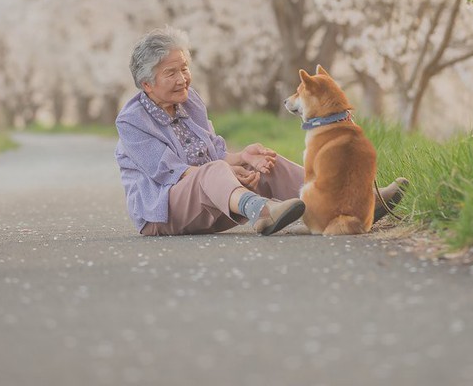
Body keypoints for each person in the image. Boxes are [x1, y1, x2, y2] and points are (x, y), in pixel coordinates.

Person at [115, 27, 407, 237]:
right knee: (215, 170)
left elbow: (213, 154)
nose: (183, 79)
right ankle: (263, 212)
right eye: (171, 73)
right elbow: (173, 172)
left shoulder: (189, 100)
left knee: (268, 162)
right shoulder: (131, 121)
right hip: (163, 215)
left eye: (185, 68)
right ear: (147, 84)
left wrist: (244, 157)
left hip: (215, 205)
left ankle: (355, 202)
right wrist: (228, 172)